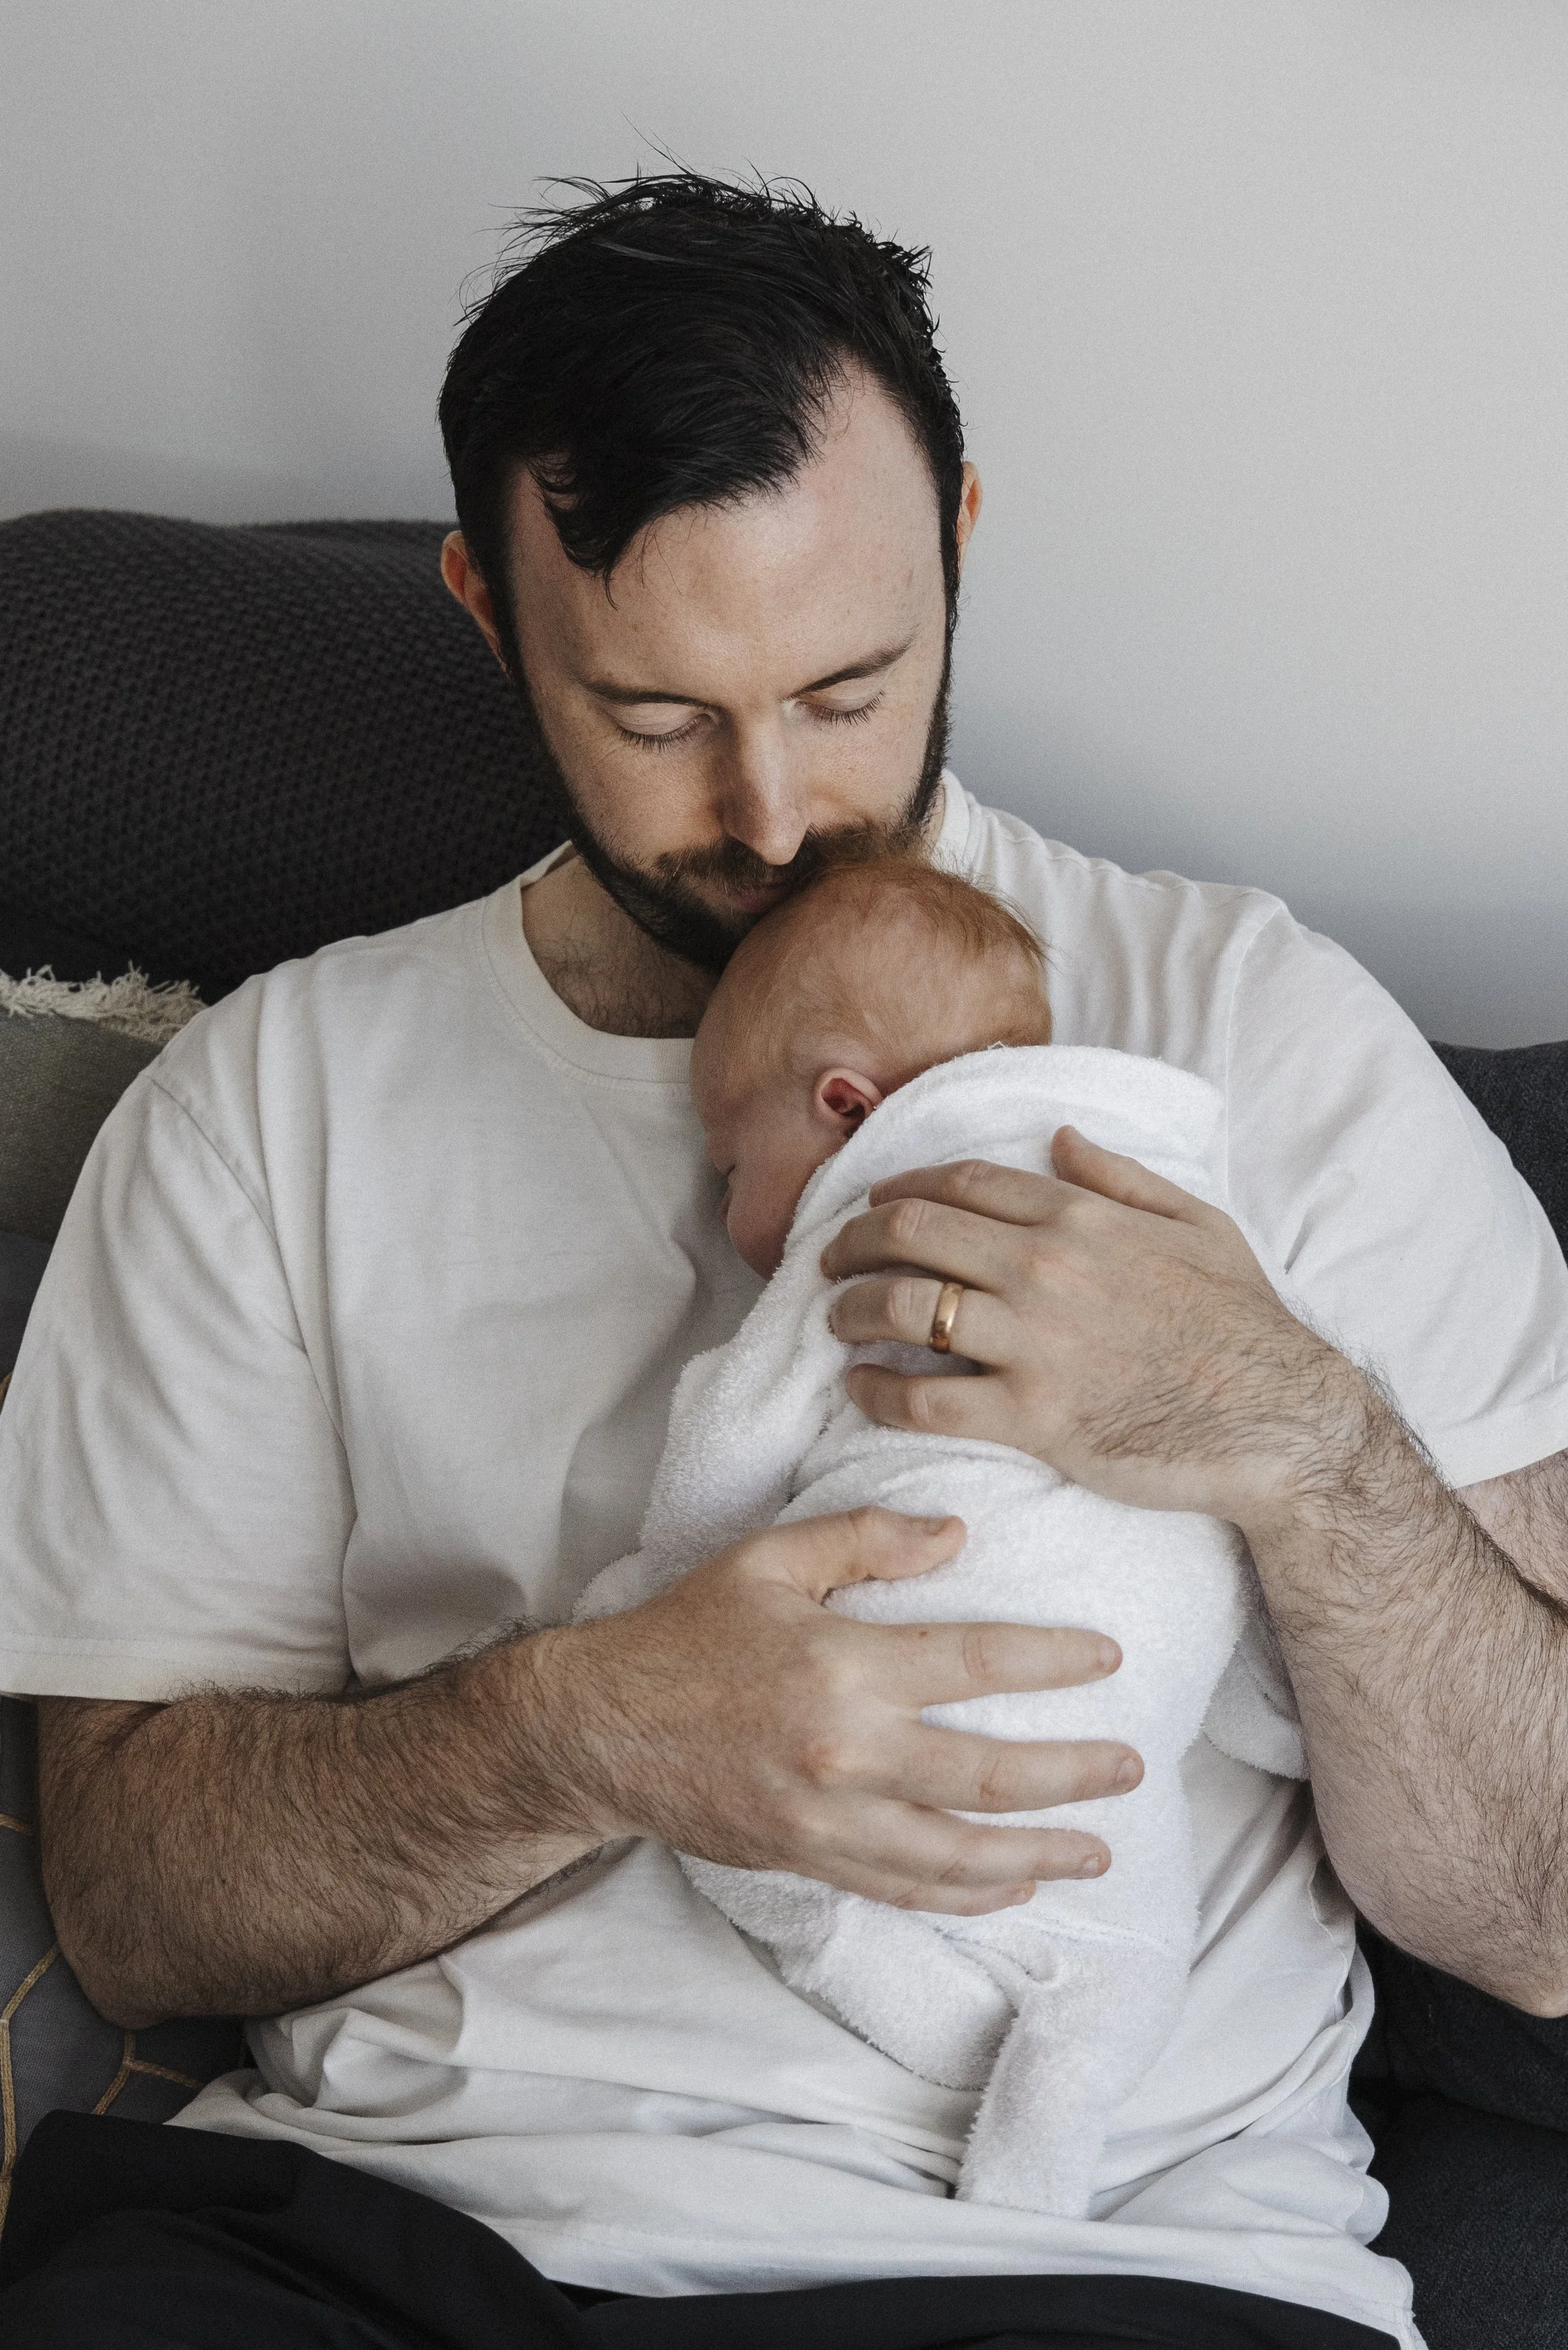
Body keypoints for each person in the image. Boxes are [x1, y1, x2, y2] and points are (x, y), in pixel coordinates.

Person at [1, 171, 1565, 2350]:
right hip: (405, 2248)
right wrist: (591, 1734)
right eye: (656, 716)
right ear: (483, 608)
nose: (768, 811)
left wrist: (1299, 1442)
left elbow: (1554, 1914)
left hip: (1104, 2274)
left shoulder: (1252, 1037)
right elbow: (142, 1910)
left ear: (961, 542)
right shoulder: (274, 1106)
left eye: (850, 685)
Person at [575, 852, 1310, 2225]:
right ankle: (1030, 2210)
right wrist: (1277, 1721)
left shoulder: (872, 1220)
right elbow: (1246, 1481)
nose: (730, 1214)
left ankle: (960, 2114)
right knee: (1116, 1978)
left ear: (841, 1107)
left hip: (892, 1703)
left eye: (732, 1164)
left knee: (738, 1836)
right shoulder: (1168, 1209)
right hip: (1120, 1765)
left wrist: (652, 1604)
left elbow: (729, 1441)